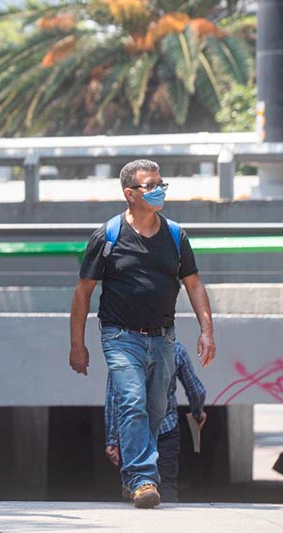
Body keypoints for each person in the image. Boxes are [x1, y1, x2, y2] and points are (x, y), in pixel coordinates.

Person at [69, 159, 216, 509]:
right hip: (120, 337)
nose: (159, 190)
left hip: (163, 337)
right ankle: (142, 479)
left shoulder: (176, 235)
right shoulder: (107, 235)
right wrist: (77, 344)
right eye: (151, 185)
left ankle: (133, 478)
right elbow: (82, 293)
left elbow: (193, 285)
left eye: (161, 183)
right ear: (130, 194)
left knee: (154, 408)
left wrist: (206, 330)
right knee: (132, 401)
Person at [105, 340, 207, 502]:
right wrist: (197, 412)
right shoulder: (176, 349)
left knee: (133, 482)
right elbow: (196, 390)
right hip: (166, 428)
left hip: (133, 433)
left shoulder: (123, 352)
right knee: (166, 484)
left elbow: (114, 397)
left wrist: (112, 437)